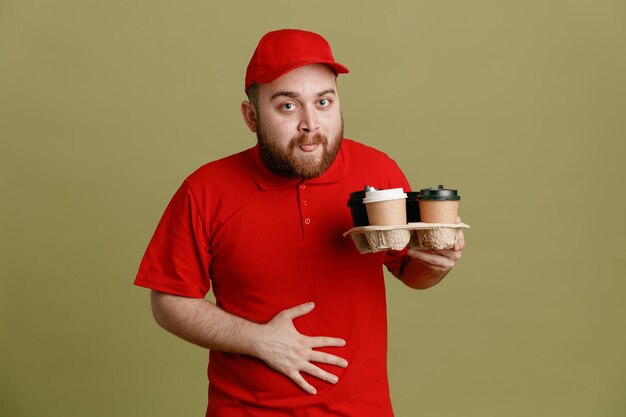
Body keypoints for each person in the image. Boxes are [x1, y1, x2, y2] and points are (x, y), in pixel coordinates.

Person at [134, 28, 465, 417]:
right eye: (288, 106)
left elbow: (409, 269)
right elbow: (168, 300)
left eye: (323, 101)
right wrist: (258, 340)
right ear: (251, 116)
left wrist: (436, 264)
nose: (311, 123)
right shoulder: (205, 189)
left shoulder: (378, 172)